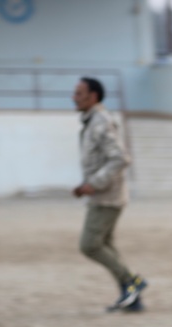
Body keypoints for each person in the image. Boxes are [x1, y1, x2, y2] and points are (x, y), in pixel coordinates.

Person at [71, 77, 146, 312]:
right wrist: (87, 184)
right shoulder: (91, 121)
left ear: (93, 96)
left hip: (107, 197)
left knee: (89, 245)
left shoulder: (100, 122)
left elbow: (120, 158)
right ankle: (132, 297)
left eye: (79, 93)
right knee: (106, 246)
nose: (74, 97)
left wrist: (94, 183)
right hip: (103, 195)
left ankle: (133, 282)